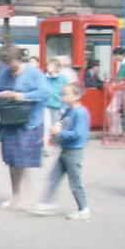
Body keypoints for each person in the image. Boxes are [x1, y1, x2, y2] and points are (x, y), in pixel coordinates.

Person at [0, 45, 50, 209]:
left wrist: (23, 96)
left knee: (24, 159)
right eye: (5, 62)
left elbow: (46, 92)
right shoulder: (5, 73)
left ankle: (28, 196)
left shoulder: (33, 72)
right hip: (11, 122)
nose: (8, 66)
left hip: (29, 122)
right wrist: (0, 95)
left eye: (10, 62)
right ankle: (16, 195)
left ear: (18, 59)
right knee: (13, 161)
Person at [28, 82, 91, 220]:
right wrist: (54, 132)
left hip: (74, 151)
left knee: (75, 182)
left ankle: (83, 208)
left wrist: (59, 133)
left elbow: (78, 134)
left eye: (66, 94)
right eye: (62, 94)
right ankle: (47, 203)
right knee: (54, 176)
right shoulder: (68, 110)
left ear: (77, 96)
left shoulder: (80, 112)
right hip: (66, 150)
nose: (63, 97)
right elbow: (61, 123)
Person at [43, 58, 66, 154]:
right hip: (46, 105)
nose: (48, 67)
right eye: (47, 65)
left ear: (56, 67)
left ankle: (53, 144)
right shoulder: (45, 77)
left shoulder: (63, 79)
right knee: (47, 127)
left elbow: (65, 93)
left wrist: (64, 106)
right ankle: (47, 147)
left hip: (58, 106)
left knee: (55, 127)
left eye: (50, 65)